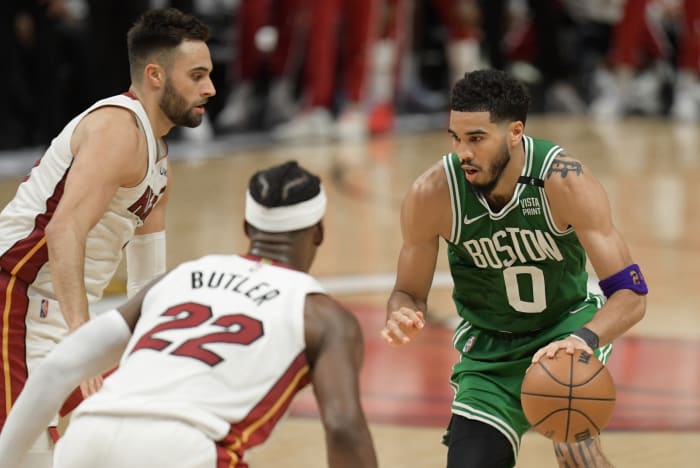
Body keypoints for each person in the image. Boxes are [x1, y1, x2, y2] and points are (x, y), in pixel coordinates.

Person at [0, 161, 378, 468]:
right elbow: (344, 428)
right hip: (184, 448)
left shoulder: (180, 277)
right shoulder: (323, 315)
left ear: (247, 227)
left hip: (87, 437)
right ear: (318, 234)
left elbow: (56, 368)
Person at [382, 69, 647, 467]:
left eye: (476, 138)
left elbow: (631, 294)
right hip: (490, 352)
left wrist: (583, 341)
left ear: (514, 132)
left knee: (576, 451)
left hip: (565, 329)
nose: (462, 153)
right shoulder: (433, 193)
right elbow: (408, 293)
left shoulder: (564, 179)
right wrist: (400, 314)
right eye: (455, 137)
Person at [0, 7, 215, 467]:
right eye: (196, 75)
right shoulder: (119, 129)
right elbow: (63, 228)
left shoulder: (159, 160)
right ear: (155, 75)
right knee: (23, 456)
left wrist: (155, 348)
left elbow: (145, 284)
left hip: (58, 313)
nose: (210, 88)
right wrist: (82, 341)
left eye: (209, 75)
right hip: (13, 296)